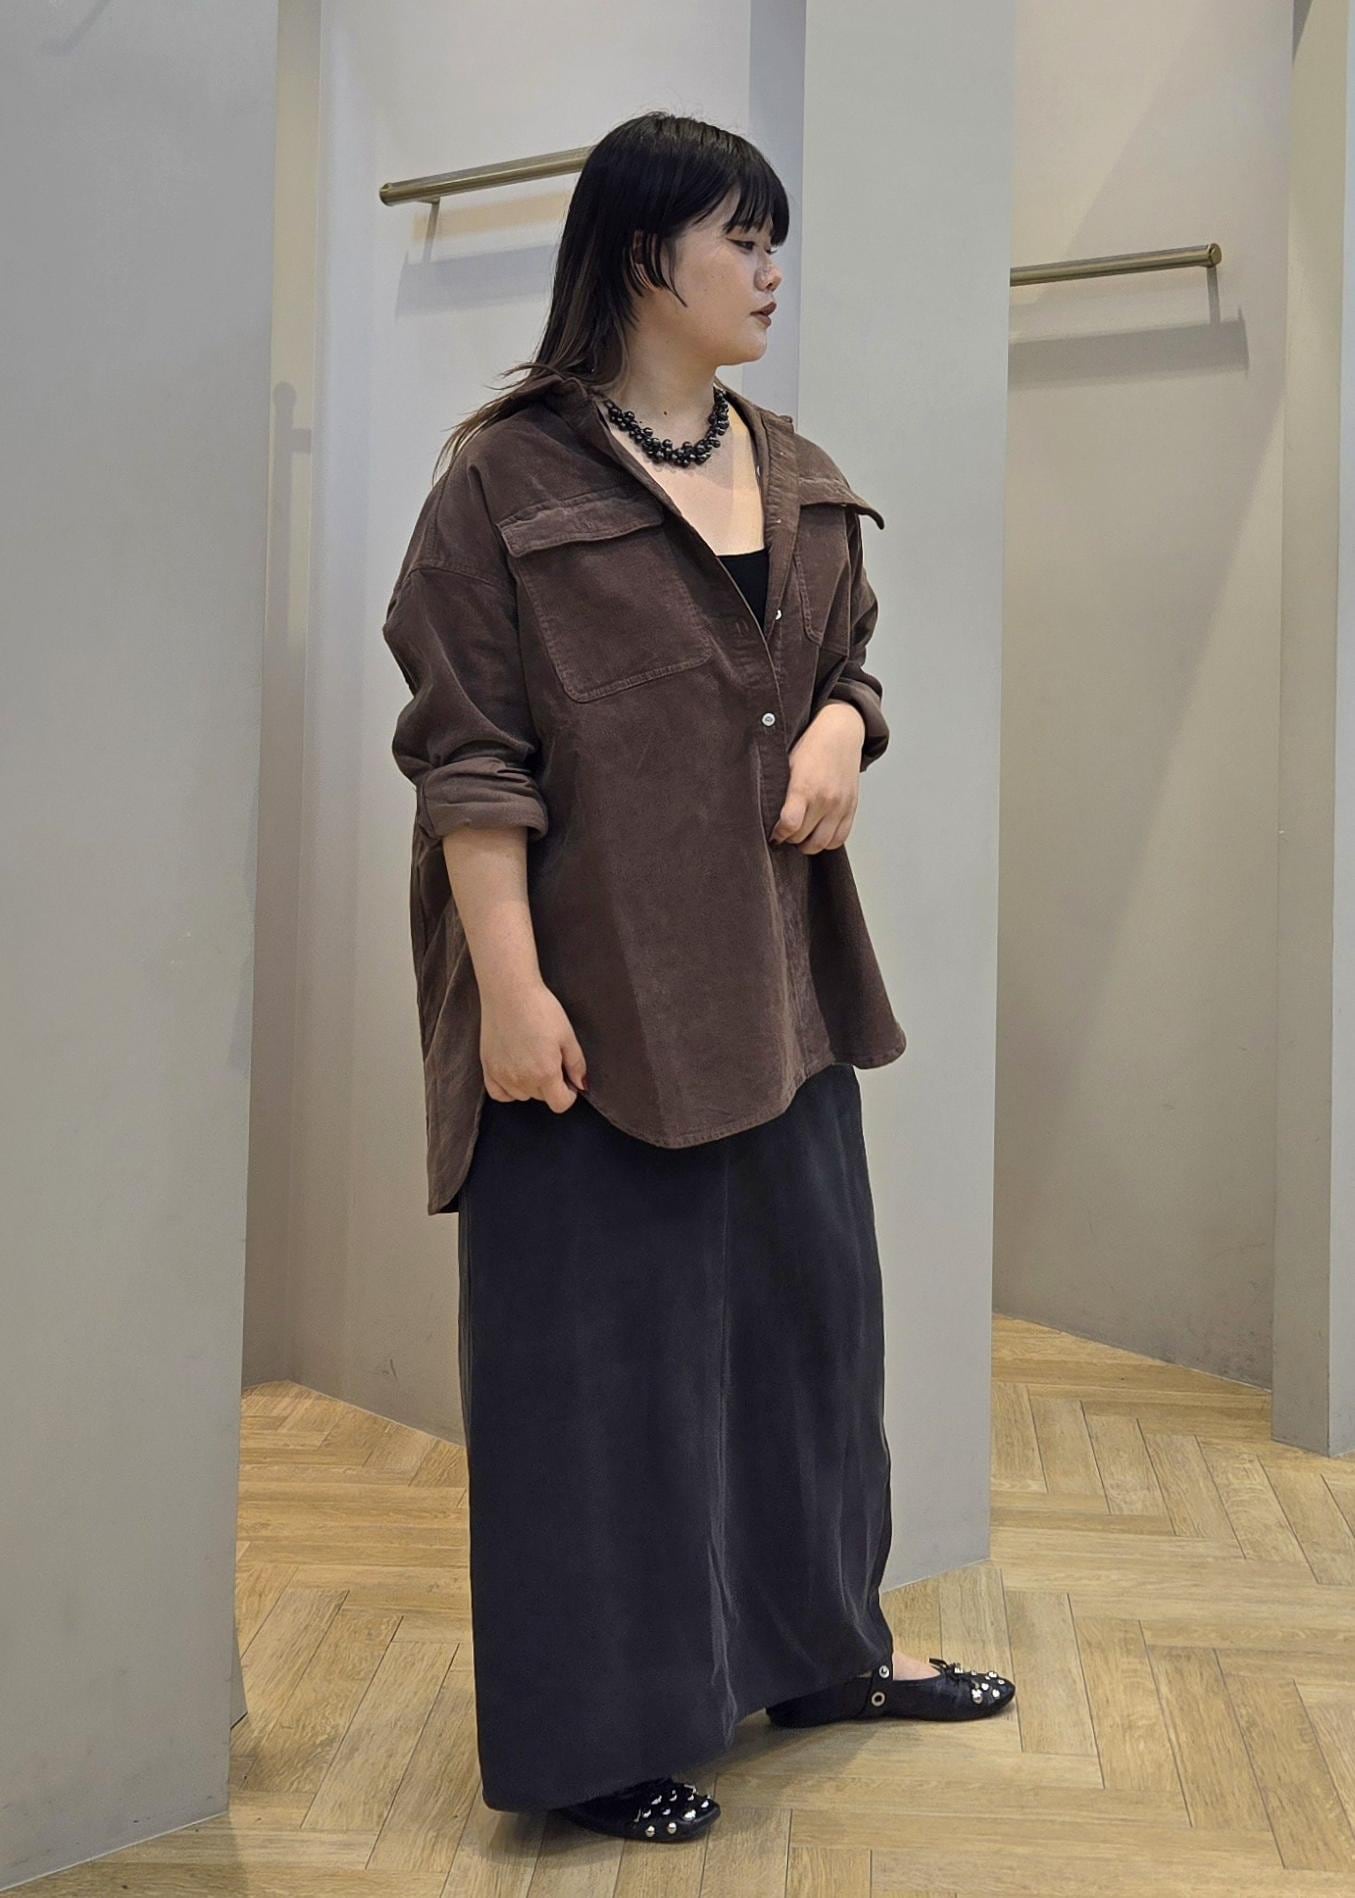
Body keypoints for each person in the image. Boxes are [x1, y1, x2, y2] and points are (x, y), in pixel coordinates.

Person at [381, 110, 1015, 1847]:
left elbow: (847, 661)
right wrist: (510, 994)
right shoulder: (503, 487)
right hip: (591, 1004)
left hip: (784, 987)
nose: (769, 268)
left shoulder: (794, 470)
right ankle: (597, 1740)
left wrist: (842, 728)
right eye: (741, 236)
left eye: (772, 237)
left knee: (812, 1342)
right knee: (598, 1380)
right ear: (642, 252)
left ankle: (824, 1653)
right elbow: (469, 761)